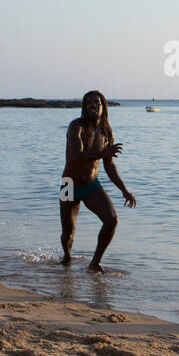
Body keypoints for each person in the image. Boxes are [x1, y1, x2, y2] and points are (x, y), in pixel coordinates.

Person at [60, 90, 136, 273]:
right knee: (68, 233)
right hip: (68, 184)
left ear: (103, 107)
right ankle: (67, 258)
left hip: (91, 185)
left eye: (98, 103)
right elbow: (76, 156)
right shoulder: (75, 126)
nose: (94, 106)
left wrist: (124, 190)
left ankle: (95, 263)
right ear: (85, 107)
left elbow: (109, 166)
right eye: (90, 103)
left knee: (112, 220)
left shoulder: (106, 133)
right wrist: (103, 153)